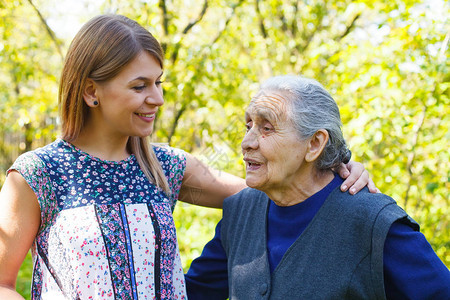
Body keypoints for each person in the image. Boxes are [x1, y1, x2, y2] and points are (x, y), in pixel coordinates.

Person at [0, 16, 375, 299]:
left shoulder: (165, 167)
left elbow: (274, 188)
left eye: (158, 82)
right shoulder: (39, 174)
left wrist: (334, 168)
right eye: (139, 86)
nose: (158, 99)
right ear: (90, 91)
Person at [185, 75, 450, 299]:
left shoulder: (374, 222)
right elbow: (190, 292)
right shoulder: (239, 211)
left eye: (266, 128)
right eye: (248, 126)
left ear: (314, 144)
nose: (247, 142)